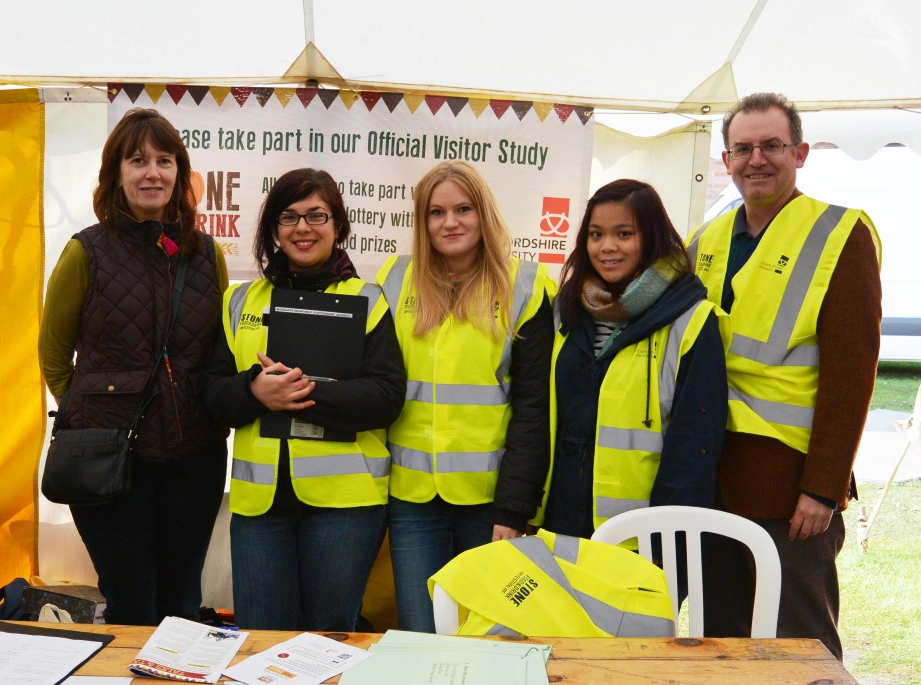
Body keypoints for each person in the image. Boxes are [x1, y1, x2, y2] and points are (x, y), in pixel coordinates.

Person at [686, 93, 882, 659]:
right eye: (743, 148)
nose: (757, 160)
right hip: (714, 478)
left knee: (799, 647)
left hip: (791, 488)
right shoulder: (709, 238)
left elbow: (852, 376)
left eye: (771, 146)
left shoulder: (839, 235)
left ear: (800, 153)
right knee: (723, 642)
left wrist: (823, 486)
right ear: (726, 160)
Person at [39, 108, 229, 626]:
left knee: (181, 606)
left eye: (165, 161)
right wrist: (89, 417)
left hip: (195, 458)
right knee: (132, 605)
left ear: (180, 173)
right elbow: (53, 356)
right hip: (112, 464)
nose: (153, 172)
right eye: (137, 160)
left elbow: (216, 350)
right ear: (115, 174)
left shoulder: (206, 254)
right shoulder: (86, 252)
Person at [202, 168, 405, 631]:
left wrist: (298, 391)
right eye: (289, 217)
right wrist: (253, 390)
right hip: (260, 508)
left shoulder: (368, 300)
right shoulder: (240, 301)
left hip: (345, 508)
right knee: (259, 638)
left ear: (338, 225)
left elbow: (387, 396)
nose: (303, 228)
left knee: (330, 638)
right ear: (274, 229)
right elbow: (211, 394)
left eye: (317, 215)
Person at [376, 160, 554, 632]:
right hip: (413, 496)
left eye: (463, 209)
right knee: (422, 630)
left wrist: (515, 509)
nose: (450, 222)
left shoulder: (527, 287)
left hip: (490, 502)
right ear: (421, 221)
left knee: (484, 634)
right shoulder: (394, 279)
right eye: (436, 212)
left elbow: (534, 411)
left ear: (484, 213)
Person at [543, 179, 728, 547]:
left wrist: (668, 547)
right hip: (560, 524)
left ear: (652, 236)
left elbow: (694, 448)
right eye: (596, 234)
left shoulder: (692, 321)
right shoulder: (566, 310)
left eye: (624, 233)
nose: (607, 246)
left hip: (641, 538)